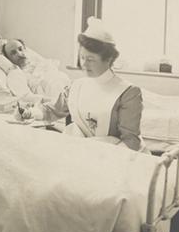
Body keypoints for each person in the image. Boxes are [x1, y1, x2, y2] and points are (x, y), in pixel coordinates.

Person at [20, 17, 148, 152]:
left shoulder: (128, 93)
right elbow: (53, 110)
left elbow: (131, 141)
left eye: (91, 59)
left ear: (109, 59)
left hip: (114, 154)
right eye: (82, 58)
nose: (84, 64)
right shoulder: (76, 86)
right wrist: (29, 112)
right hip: (81, 150)